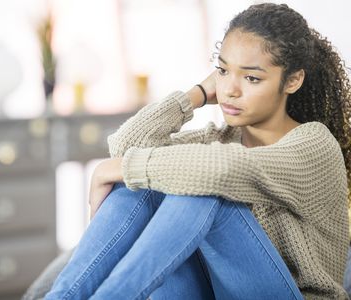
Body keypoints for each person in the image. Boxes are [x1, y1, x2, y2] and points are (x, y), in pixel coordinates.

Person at [42, 3, 351, 299]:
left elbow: (222, 169)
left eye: (252, 78)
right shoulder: (219, 140)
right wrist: (196, 94)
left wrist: (114, 169)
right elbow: (125, 146)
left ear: (293, 80)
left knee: (200, 186)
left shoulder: (314, 144)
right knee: (142, 185)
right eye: (223, 71)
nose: (231, 89)